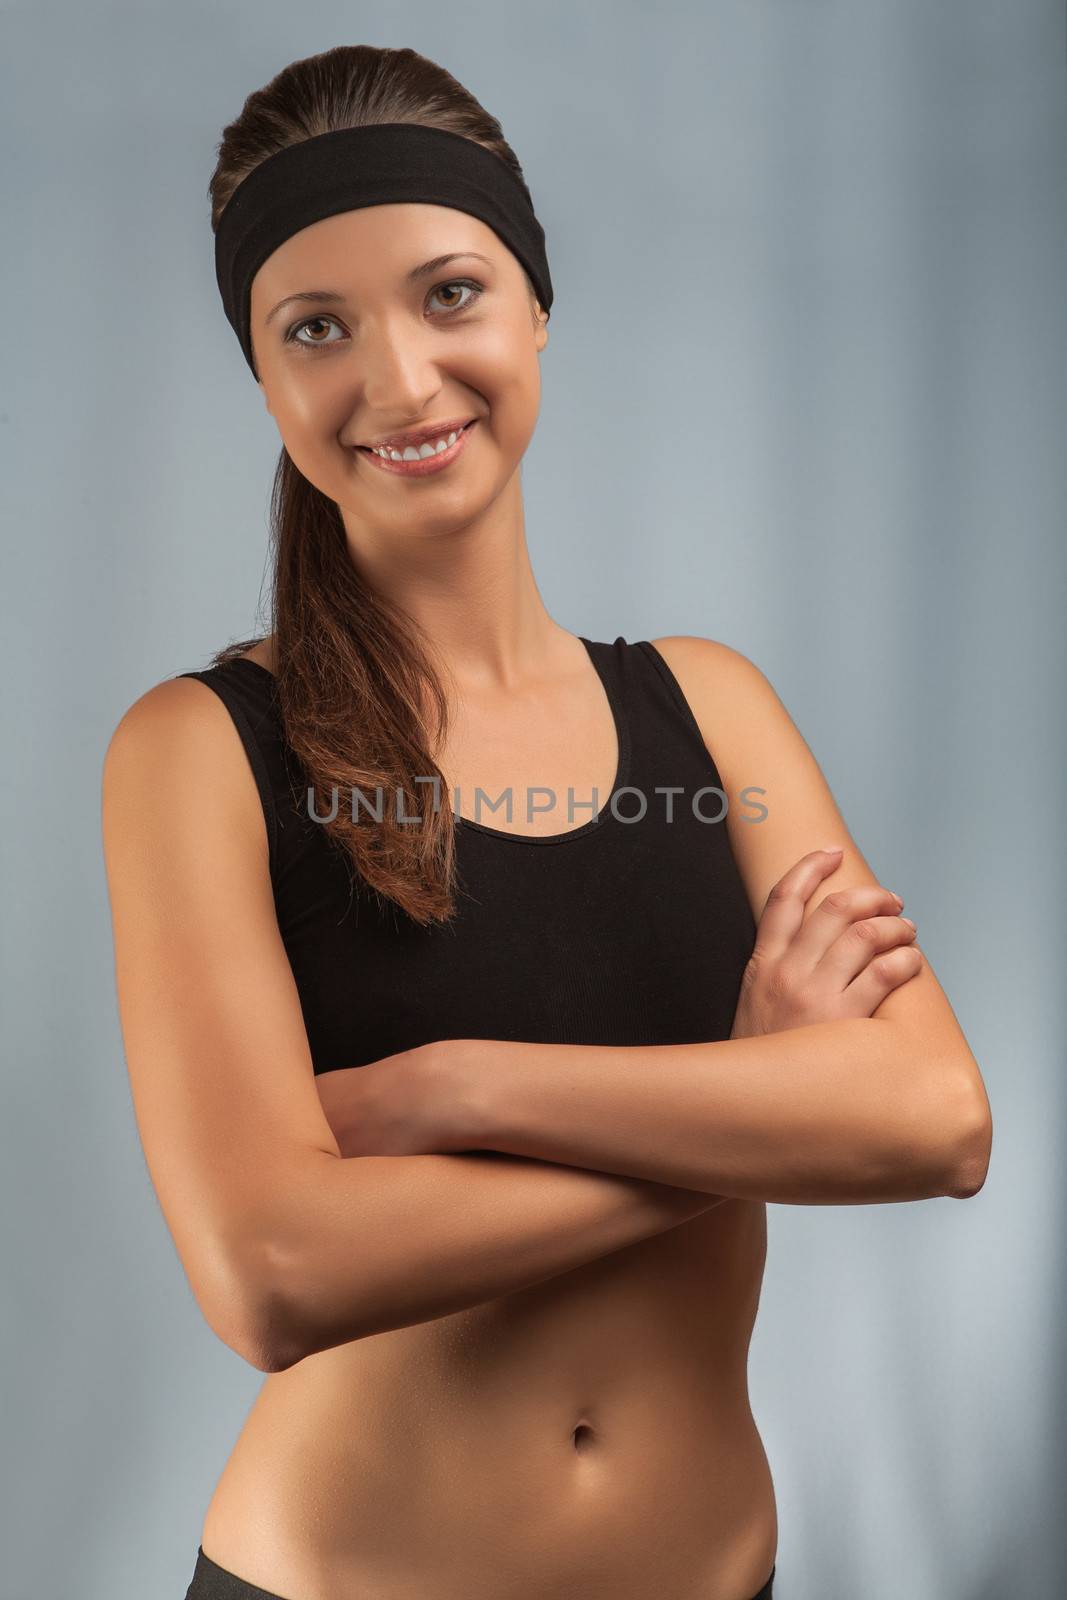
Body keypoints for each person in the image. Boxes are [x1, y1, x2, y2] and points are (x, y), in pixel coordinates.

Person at [100, 43, 992, 1600]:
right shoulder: (199, 751)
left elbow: (935, 1121)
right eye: (317, 327)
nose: (399, 379)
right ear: (264, 376)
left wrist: (456, 1090)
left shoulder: (711, 708)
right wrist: (749, 1103)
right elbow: (274, 1273)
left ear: (536, 307)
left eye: (451, 294)